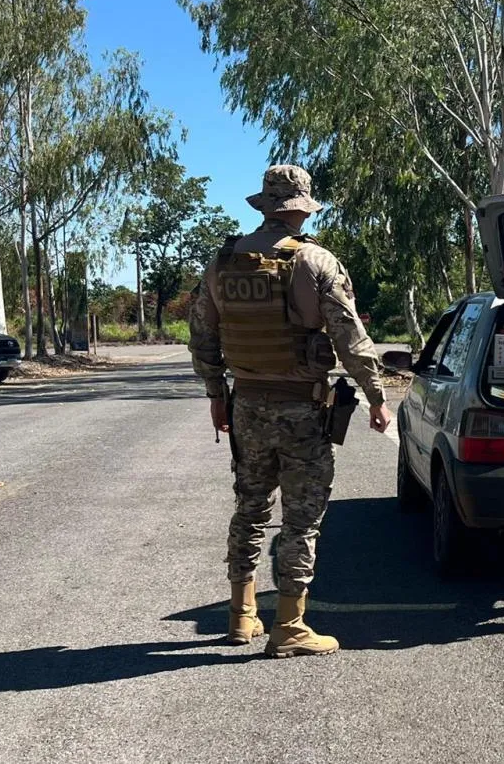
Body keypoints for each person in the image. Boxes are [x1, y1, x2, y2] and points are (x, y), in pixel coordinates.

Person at [189, 165, 392, 658]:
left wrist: (217, 393)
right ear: (301, 208)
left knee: (250, 507)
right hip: (301, 408)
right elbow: (349, 336)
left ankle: (241, 616)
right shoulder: (315, 262)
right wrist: (377, 395)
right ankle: (290, 626)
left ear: (264, 205)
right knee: (301, 521)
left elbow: (202, 334)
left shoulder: (222, 262)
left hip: (247, 406)